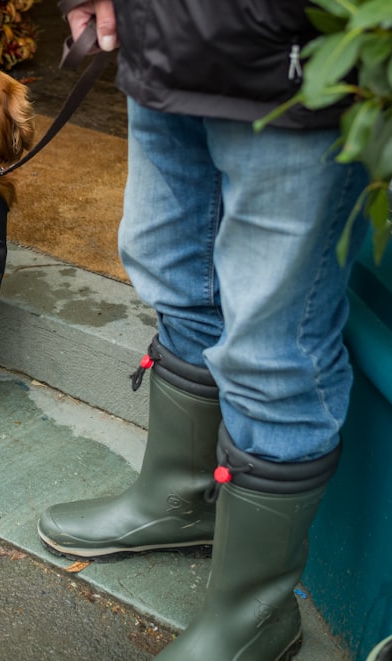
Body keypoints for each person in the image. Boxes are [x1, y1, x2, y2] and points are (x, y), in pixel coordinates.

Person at [36, 1, 369, 658]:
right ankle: (181, 502)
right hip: (159, 40)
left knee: (276, 347)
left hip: (296, 67)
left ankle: (254, 616)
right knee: (175, 275)